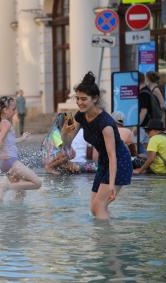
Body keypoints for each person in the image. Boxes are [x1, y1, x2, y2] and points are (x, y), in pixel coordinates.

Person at [61, 72, 132, 220]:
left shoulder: (105, 123)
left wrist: (112, 184)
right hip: (104, 162)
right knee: (95, 208)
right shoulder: (80, 115)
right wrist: (64, 133)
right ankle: (113, 230)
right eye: (77, 98)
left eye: (84, 99)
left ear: (95, 99)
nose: (79, 102)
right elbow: (67, 146)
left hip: (119, 162)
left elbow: (113, 156)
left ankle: (107, 242)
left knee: (98, 206)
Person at [0, 96, 42, 203]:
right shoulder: (6, 123)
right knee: (37, 183)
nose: (15, 112)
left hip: (4, 163)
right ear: (5, 110)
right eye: (13, 109)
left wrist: (22, 138)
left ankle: (13, 217)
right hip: (11, 162)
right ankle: (5, 187)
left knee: (21, 193)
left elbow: (8, 142)